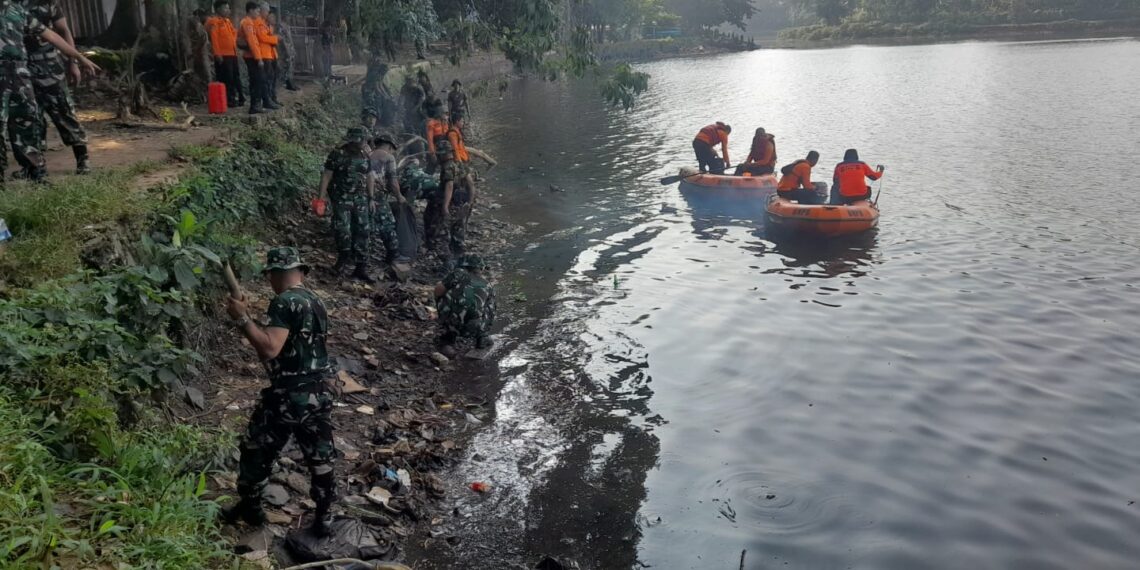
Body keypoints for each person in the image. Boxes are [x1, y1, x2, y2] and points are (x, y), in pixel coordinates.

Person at [222, 246, 336, 537]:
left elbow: (270, 348)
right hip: (320, 392)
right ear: (300, 271)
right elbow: (287, 346)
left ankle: (251, 507)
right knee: (320, 457)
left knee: (255, 449)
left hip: (288, 397)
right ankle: (325, 517)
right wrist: (249, 318)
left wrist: (242, 319)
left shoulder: (284, 302)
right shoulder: (315, 301)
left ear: (275, 273)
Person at [0, 0, 98, 182]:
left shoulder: (20, 9)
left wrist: (76, 59)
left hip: (32, 71)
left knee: (45, 116)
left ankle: (46, 170)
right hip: (15, 70)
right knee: (22, 121)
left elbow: (54, 34)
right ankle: (20, 173)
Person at [318, 127, 375, 282]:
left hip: (361, 199)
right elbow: (326, 176)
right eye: (362, 140)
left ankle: (360, 267)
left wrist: (371, 198)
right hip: (341, 199)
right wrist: (321, 199)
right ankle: (342, 260)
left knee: (363, 230)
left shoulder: (366, 154)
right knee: (343, 230)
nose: (364, 143)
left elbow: (369, 176)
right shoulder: (337, 154)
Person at [434, 253, 495, 357]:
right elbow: (492, 312)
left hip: (454, 324)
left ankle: (448, 340)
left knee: (442, 295)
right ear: (482, 268)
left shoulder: (456, 274)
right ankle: (482, 337)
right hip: (475, 326)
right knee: (489, 305)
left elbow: (438, 291)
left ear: (464, 266)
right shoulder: (487, 284)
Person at [368, 134, 404, 264]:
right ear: (389, 146)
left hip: (363, 195)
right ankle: (393, 255)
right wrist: (399, 197)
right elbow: (392, 181)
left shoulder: (368, 154)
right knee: (387, 224)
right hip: (378, 196)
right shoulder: (388, 157)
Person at [239, 1, 275, 114]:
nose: (258, 13)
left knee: (258, 80)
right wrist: (259, 58)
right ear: (251, 10)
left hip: (253, 55)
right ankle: (255, 105)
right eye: (257, 11)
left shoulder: (251, 22)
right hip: (252, 57)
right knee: (257, 80)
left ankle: (256, 105)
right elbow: (252, 42)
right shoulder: (247, 23)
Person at [207, 0, 243, 108]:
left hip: (232, 53)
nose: (228, 10)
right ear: (218, 9)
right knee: (226, 78)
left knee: (235, 77)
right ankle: (228, 100)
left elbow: (234, 33)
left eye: (228, 8)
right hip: (223, 55)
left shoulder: (227, 21)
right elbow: (214, 39)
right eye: (225, 8)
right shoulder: (214, 21)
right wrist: (217, 54)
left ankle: (234, 97)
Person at [272, 8, 298, 91]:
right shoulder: (281, 26)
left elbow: (290, 39)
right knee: (285, 67)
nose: (289, 18)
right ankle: (284, 83)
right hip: (284, 50)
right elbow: (282, 39)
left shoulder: (288, 26)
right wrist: (286, 50)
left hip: (290, 49)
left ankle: (290, 82)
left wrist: (293, 49)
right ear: (284, 16)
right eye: (288, 16)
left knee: (291, 66)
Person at [260, 3, 280, 106]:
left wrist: (274, 39)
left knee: (273, 78)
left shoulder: (270, 27)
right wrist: (275, 38)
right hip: (265, 55)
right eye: (270, 15)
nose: (273, 19)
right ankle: (268, 100)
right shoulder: (261, 24)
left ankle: (273, 97)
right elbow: (263, 38)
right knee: (267, 78)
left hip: (272, 55)